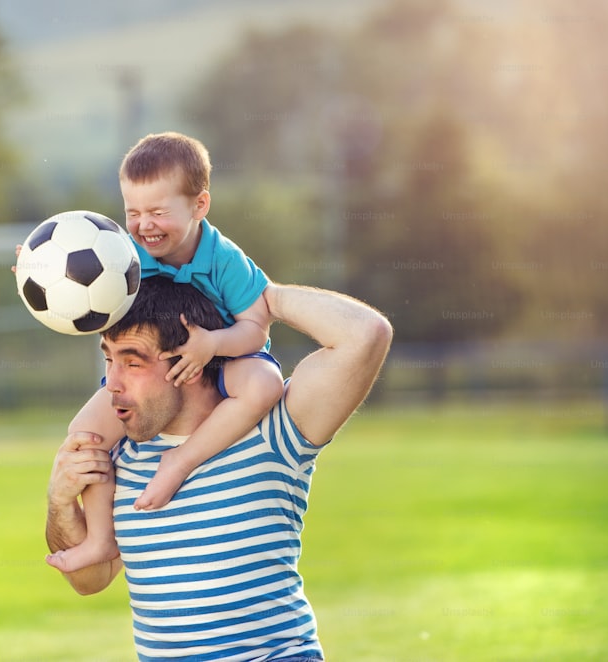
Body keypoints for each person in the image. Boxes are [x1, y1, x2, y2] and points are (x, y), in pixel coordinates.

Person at [46, 275, 392, 661]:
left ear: (190, 365)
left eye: (133, 362)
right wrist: (60, 504)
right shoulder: (118, 454)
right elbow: (89, 580)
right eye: (109, 358)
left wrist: (262, 295)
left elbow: (366, 333)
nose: (111, 383)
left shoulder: (274, 430)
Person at [45, 131, 285, 574]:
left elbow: (256, 325)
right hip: (155, 361)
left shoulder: (225, 259)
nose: (144, 225)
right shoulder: (126, 250)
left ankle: (180, 461)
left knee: (266, 383)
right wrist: (42, 268)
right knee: (84, 436)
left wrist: (212, 344)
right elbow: (78, 264)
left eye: (158, 212)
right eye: (133, 212)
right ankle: (100, 540)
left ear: (200, 206)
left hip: (224, 359)